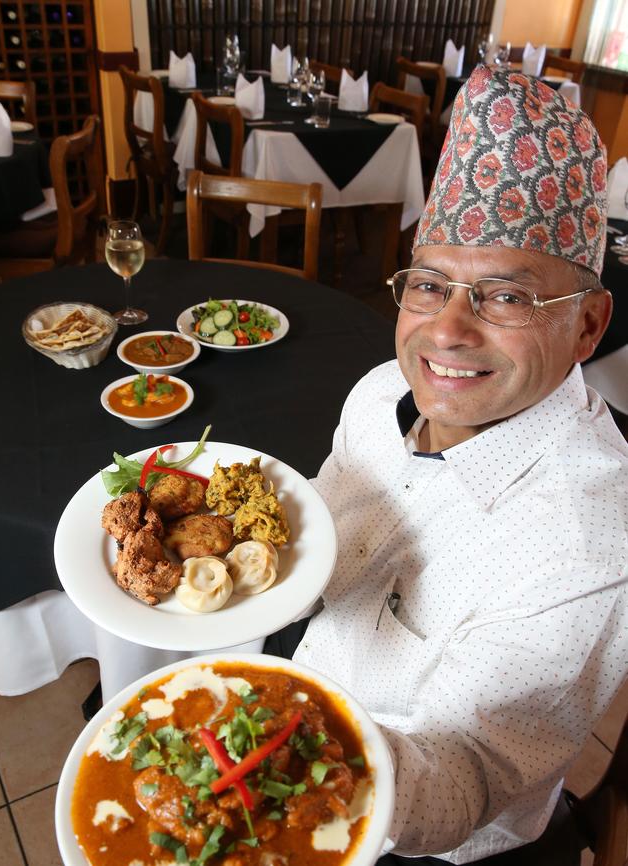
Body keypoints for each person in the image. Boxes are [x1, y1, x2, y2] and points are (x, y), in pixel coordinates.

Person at [264, 67, 628, 864]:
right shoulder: (378, 392)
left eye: (505, 297)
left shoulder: (590, 538)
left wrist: (283, 767)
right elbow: (320, 532)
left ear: (588, 326)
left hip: (419, 834)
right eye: (429, 284)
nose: (448, 333)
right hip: (305, 686)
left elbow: (465, 778)